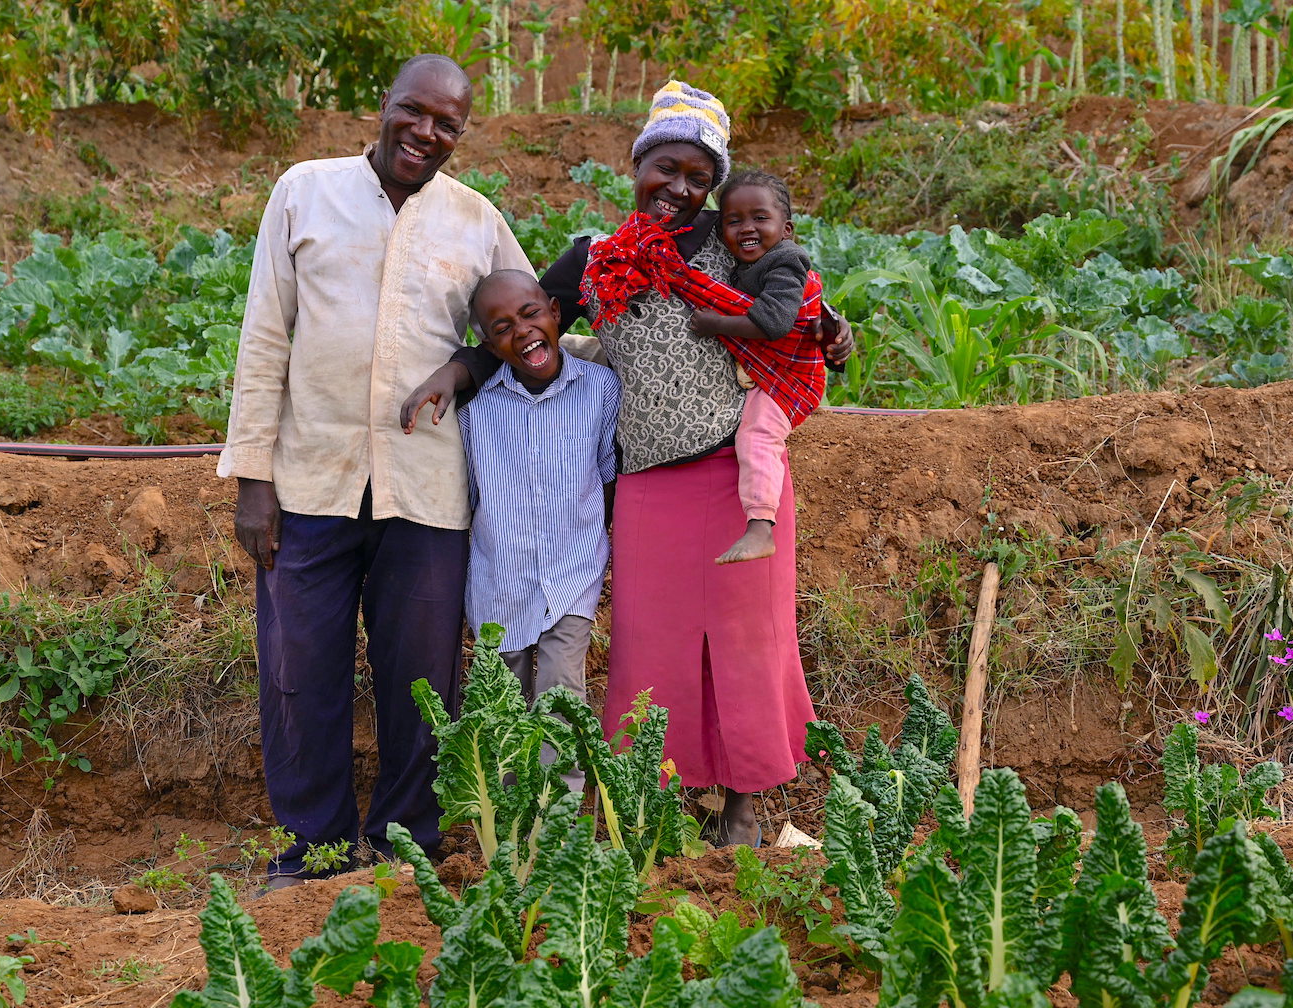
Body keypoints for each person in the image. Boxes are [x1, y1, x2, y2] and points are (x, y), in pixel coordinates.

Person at [402, 81, 853, 847]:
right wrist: (456, 371)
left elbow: (800, 299)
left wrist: (838, 331)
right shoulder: (596, 260)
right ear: (637, 163)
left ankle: (741, 814)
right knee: (656, 649)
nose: (679, 188)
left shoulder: (735, 241)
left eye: (698, 176)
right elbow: (523, 325)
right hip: (647, 485)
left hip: (736, 480)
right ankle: (663, 805)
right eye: (666, 168)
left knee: (746, 644)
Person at [217, 54, 531, 888]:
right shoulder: (304, 191)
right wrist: (253, 476)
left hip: (425, 491)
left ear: (460, 135)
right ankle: (314, 850)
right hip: (309, 482)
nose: (426, 134)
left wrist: (464, 369)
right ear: (383, 104)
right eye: (415, 113)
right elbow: (265, 337)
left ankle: (406, 850)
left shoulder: (476, 220)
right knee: (299, 672)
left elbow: (526, 329)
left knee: (422, 682)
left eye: (447, 125)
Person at [454, 269, 620, 794]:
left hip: (569, 577)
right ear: (486, 343)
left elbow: (608, 478)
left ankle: (559, 832)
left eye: (530, 314)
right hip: (497, 586)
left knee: (560, 698)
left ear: (553, 310)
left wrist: (598, 545)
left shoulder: (599, 389)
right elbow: (473, 500)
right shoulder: (475, 413)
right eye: (501, 327)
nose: (522, 331)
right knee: (503, 710)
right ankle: (509, 830)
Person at [684, 169, 826, 565]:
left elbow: (776, 323)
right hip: (765, 374)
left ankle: (761, 526)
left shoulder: (785, 261)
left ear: (787, 229)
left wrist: (717, 324)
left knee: (757, 435)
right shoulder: (744, 264)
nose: (747, 228)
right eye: (734, 220)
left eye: (760, 218)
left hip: (790, 377)